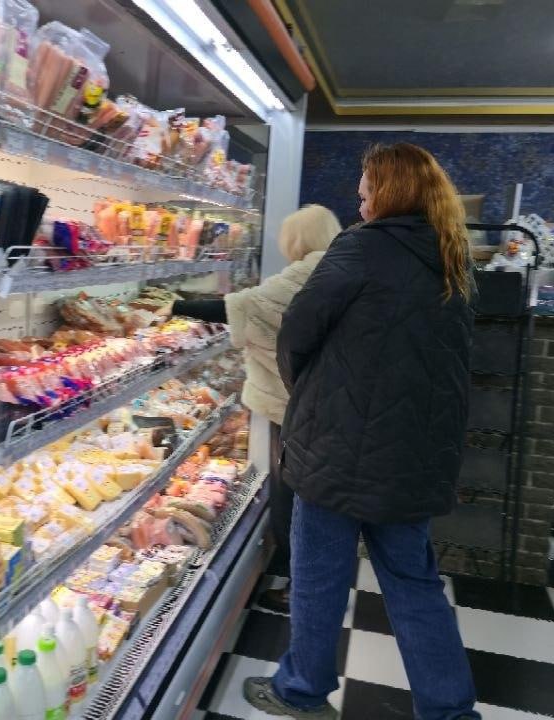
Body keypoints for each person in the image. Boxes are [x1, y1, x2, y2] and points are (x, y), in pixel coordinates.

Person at [245, 143, 477, 720]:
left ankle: (302, 690)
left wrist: (308, 395)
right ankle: (450, 712)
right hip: (413, 458)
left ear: (391, 192)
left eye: (367, 190)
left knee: (319, 577)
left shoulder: (361, 247)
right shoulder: (451, 257)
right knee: (414, 584)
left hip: (337, 447)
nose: (361, 201)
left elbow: (297, 332)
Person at [167, 205, 343, 614]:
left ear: (297, 239)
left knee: (291, 492)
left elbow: (247, 306)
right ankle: (312, 583)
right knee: (311, 493)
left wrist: (174, 307)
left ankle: (301, 590)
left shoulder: (304, 275)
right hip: (322, 399)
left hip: (291, 403)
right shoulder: (338, 270)